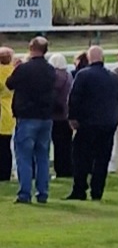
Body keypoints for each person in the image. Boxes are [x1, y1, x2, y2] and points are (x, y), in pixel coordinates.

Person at [65, 44, 118, 201]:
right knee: (102, 158)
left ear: (89, 59)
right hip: (108, 123)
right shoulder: (113, 77)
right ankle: (97, 191)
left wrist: (72, 118)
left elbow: (74, 98)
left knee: (80, 157)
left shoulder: (83, 75)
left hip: (88, 123)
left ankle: (79, 189)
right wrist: (116, 117)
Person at [6, 36, 55, 204]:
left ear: (30, 48)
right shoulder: (50, 70)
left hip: (27, 116)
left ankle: (25, 193)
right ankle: (43, 193)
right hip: (46, 117)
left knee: (24, 157)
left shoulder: (24, 69)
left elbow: (10, 84)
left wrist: (17, 68)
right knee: (42, 157)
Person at [47, 51, 74, 179]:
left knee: (58, 145)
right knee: (67, 144)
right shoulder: (69, 76)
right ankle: (68, 168)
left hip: (55, 115)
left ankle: (60, 170)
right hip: (66, 114)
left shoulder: (52, 77)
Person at [0, 45, 15, 183]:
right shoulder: (14, 71)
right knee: (7, 147)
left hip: (2, 111)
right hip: (13, 110)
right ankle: (6, 172)